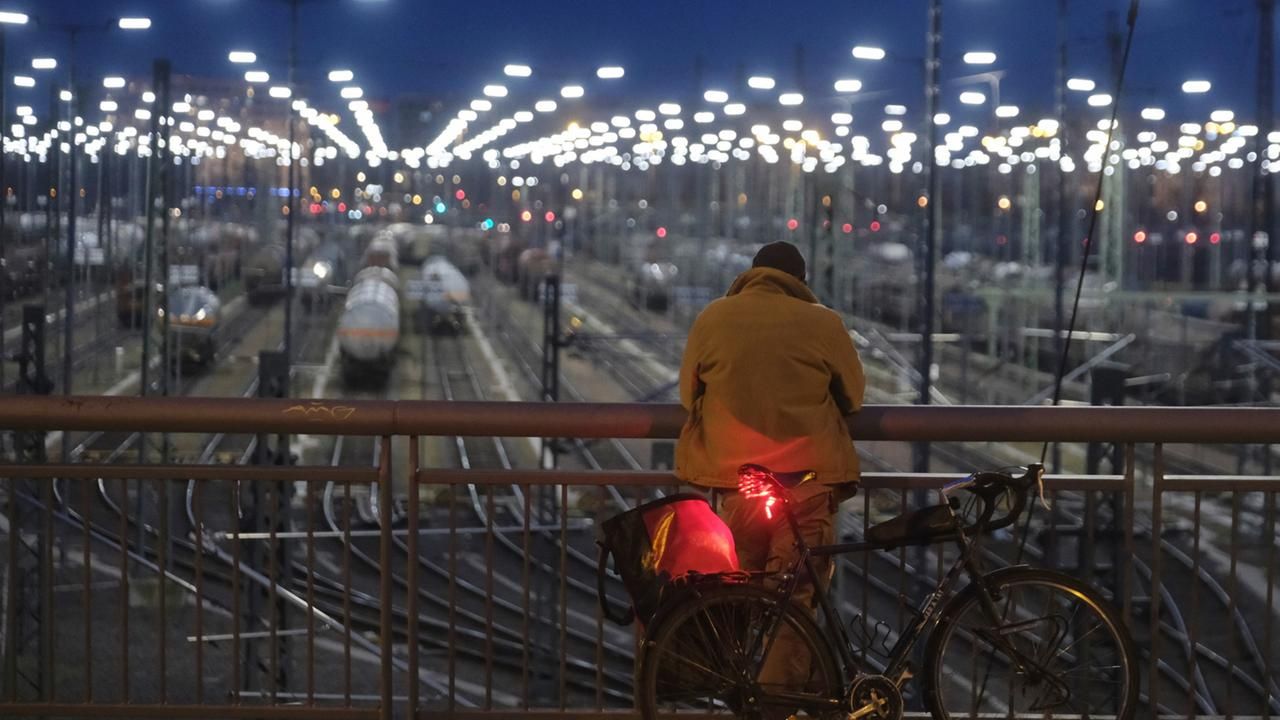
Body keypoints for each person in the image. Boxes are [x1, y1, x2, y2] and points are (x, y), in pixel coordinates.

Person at [675, 240, 865, 690]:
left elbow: (688, 396)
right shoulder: (823, 322)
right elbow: (853, 398)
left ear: (750, 274)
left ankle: (733, 689)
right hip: (807, 483)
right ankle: (776, 705)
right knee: (794, 600)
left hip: (738, 481)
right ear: (801, 283)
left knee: (741, 591)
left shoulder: (714, 317)